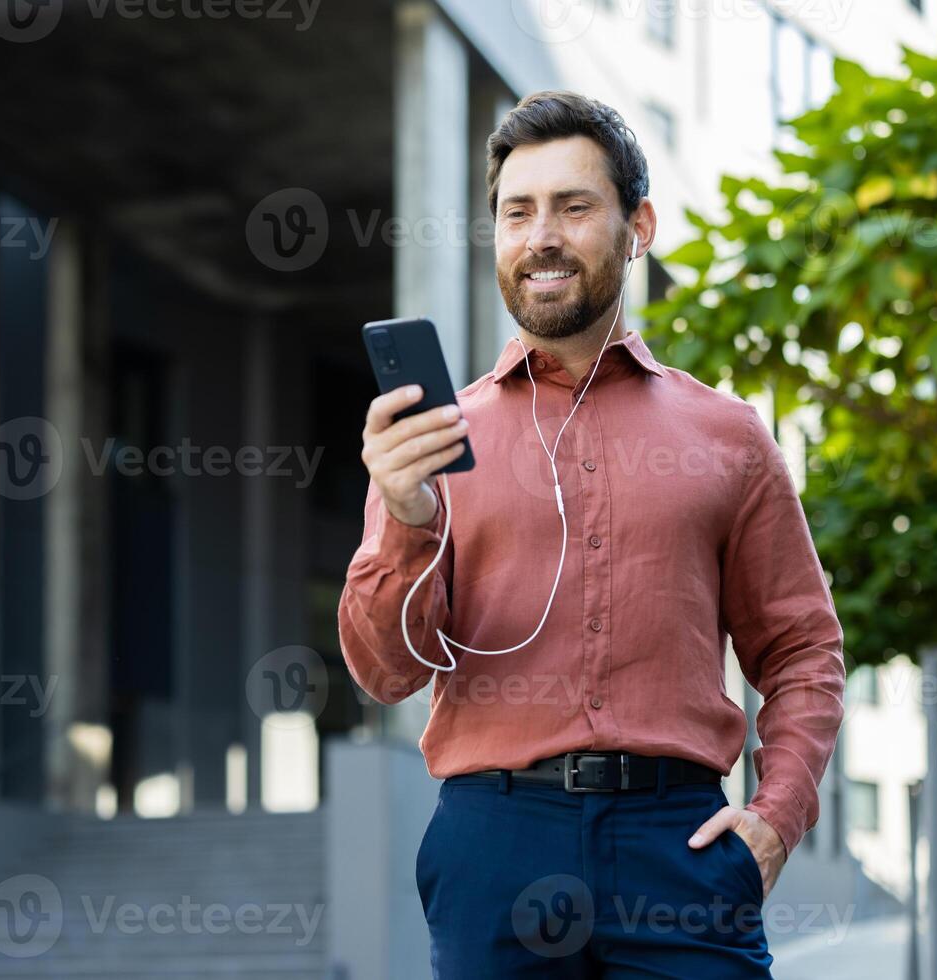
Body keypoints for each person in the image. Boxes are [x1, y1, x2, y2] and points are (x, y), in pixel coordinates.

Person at [337, 90, 846, 977]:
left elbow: (803, 648)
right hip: (496, 846)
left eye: (574, 207)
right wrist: (408, 519)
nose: (541, 235)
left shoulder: (728, 435)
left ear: (636, 225)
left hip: (680, 846)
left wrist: (777, 816)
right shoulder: (433, 441)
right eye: (516, 212)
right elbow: (385, 673)